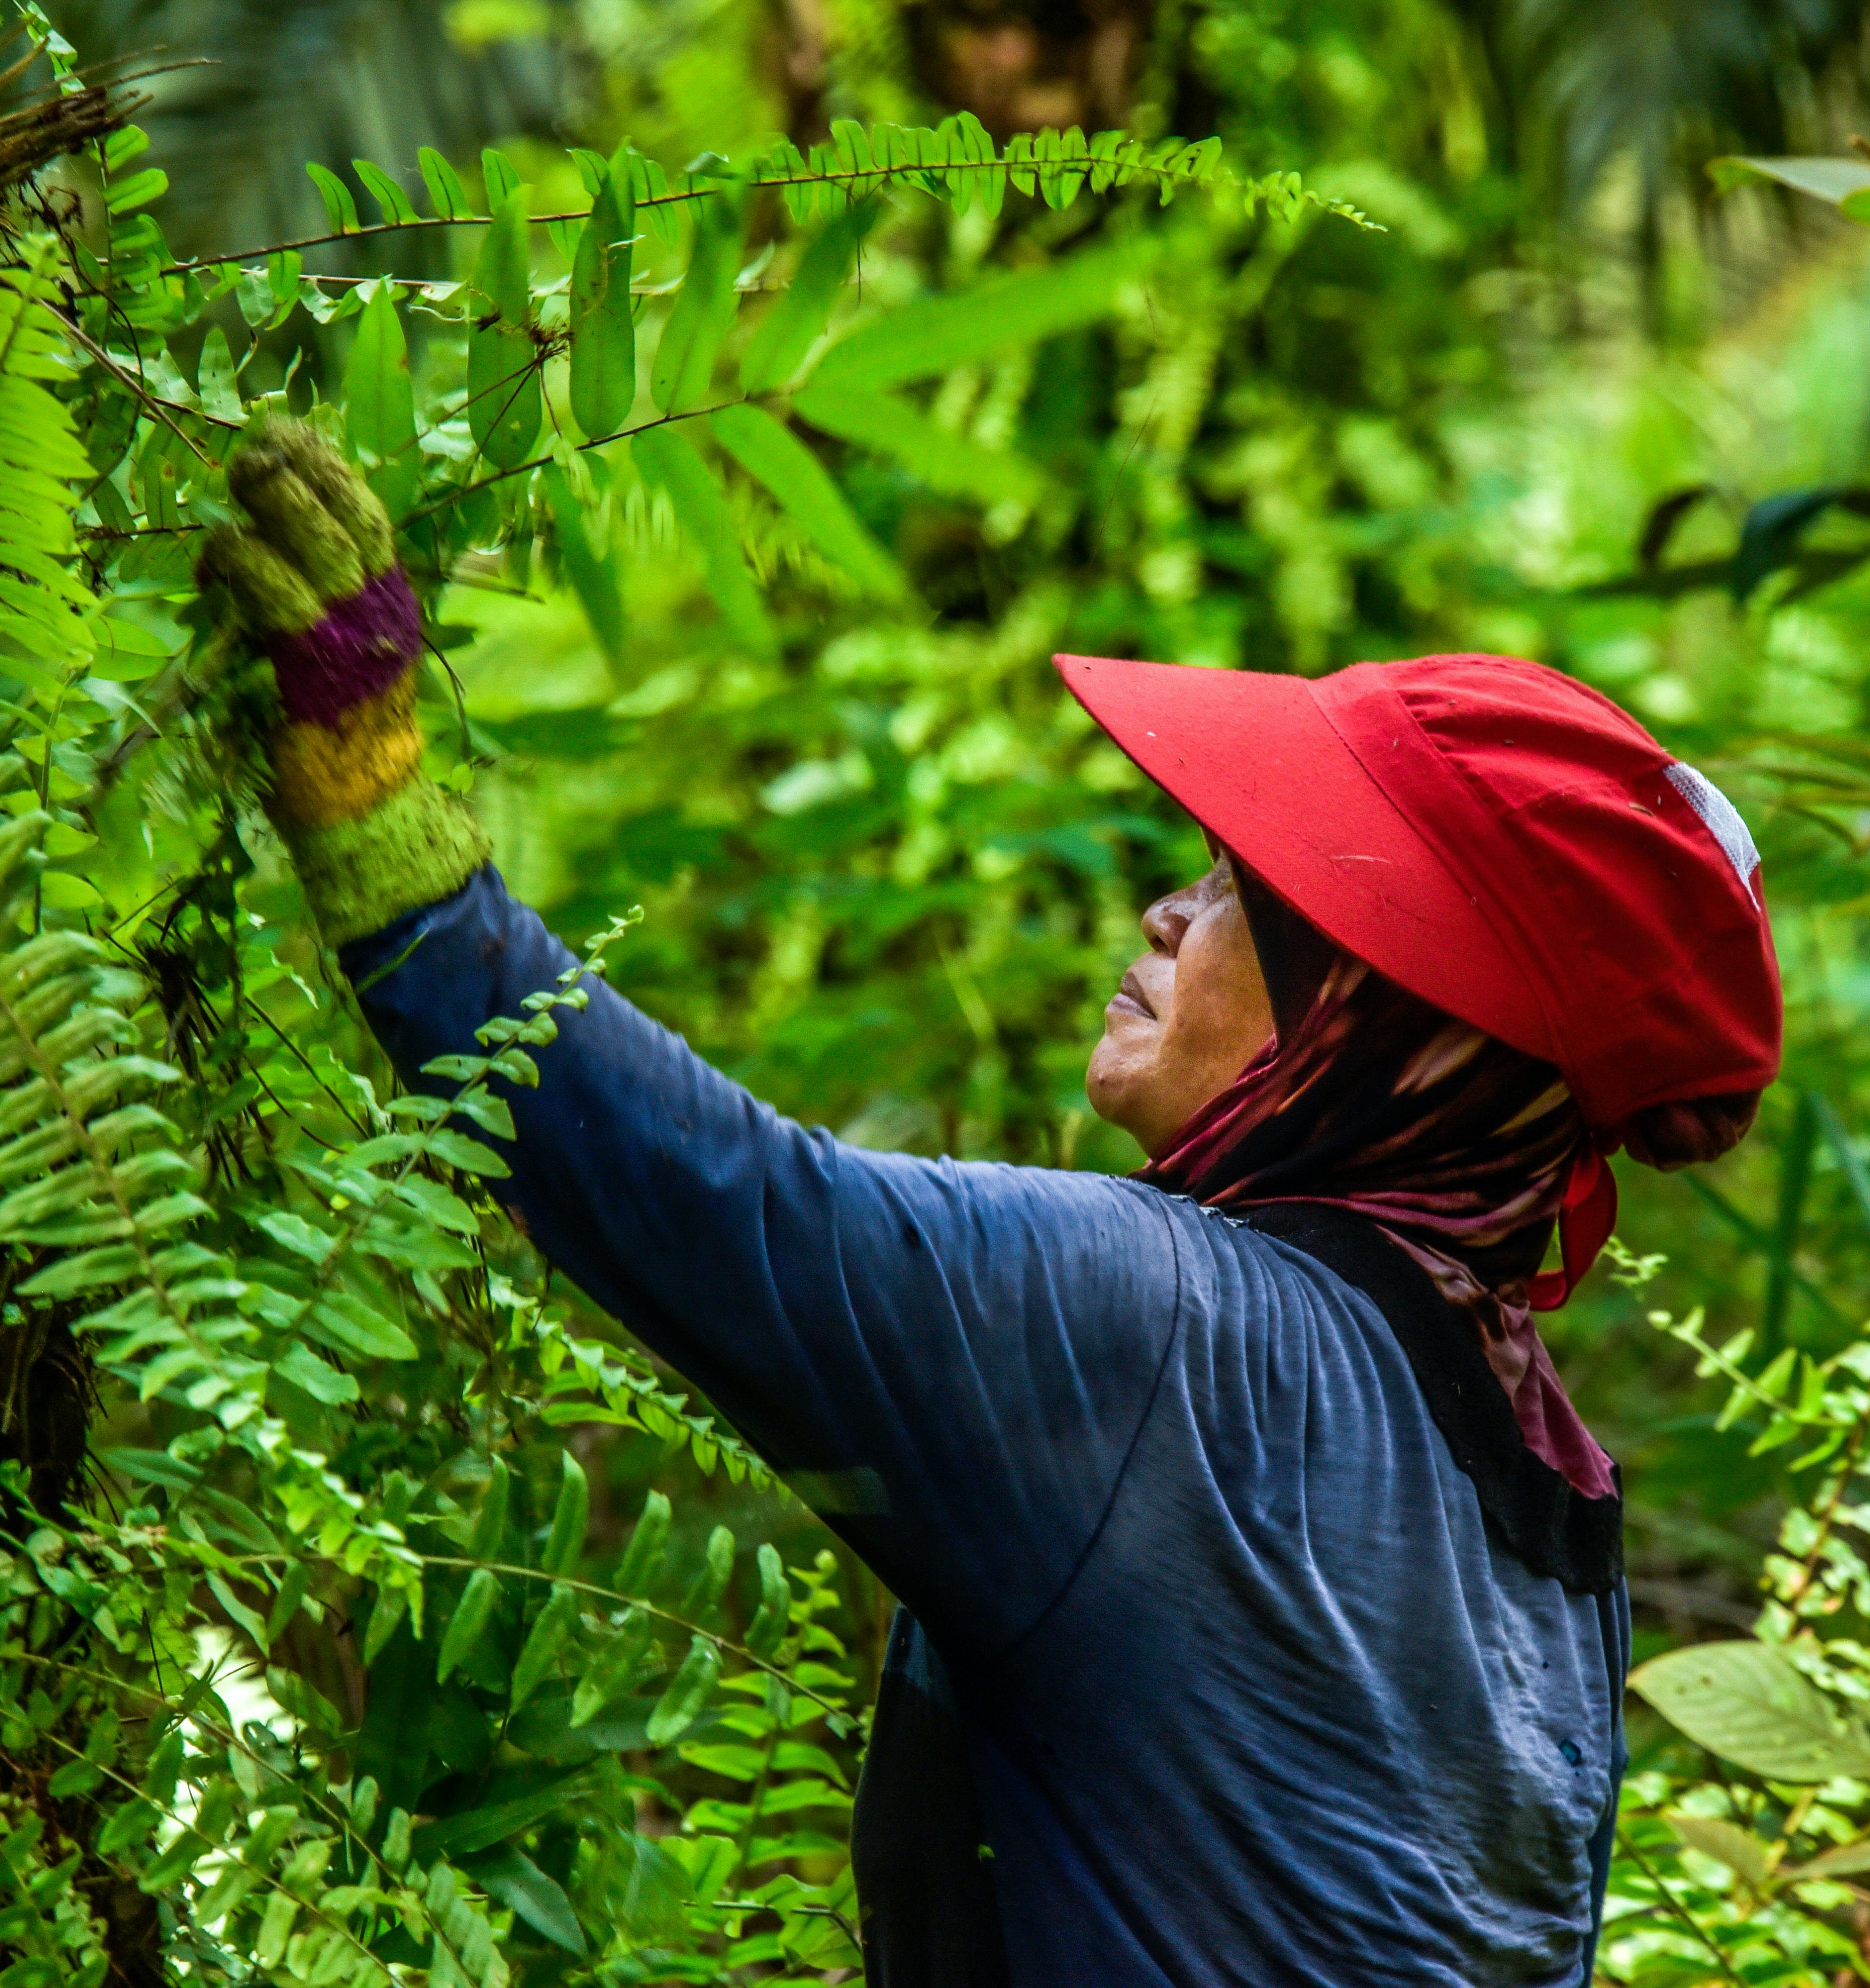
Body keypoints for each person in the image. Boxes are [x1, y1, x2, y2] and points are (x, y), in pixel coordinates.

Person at [204, 422, 1782, 1988]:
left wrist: (385, 823)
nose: (1165, 909)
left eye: (1245, 889)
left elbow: (727, 1210)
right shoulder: (1545, 1476)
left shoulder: (1173, 1339)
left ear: (1388, 1017)